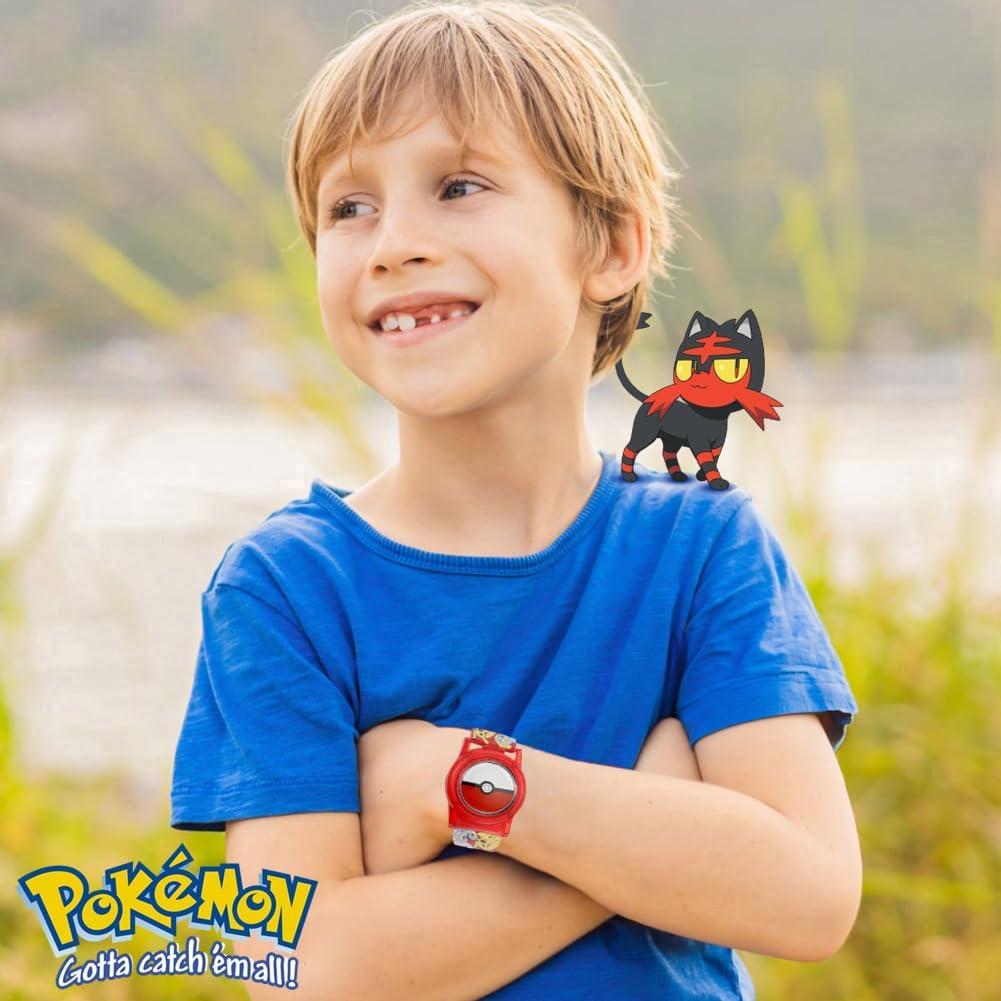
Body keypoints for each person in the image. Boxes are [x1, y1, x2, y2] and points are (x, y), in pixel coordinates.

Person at [170, 2, 862, 998]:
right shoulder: (288, 588)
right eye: (349, 207)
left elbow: (805, 895)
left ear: (611, 249)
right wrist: (645, 823)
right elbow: (304, 968)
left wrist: (457, 779)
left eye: (458, 187)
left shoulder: (700, 545)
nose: (392, 242)